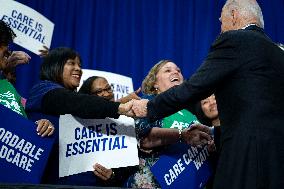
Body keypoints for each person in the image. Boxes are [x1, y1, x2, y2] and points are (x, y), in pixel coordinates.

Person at [132, 0, 284, 188]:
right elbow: (257, 110)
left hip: (246, 158)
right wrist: (214, 133)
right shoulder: (278, 52)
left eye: (221, 21)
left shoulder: (235, 40)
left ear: (234, 15)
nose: (221, 28)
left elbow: (195, 87)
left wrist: (149, 106)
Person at [25, 47, 134, 185]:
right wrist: (120, 107)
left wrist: (112, 175)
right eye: (71, 63)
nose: (78, 69)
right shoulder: (42, 90)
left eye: (80, 65)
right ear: (55, 66)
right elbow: (73, 102)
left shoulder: (82, 104)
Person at [125, 60, 212, 188]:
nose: (175, 72)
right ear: (154, 83)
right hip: (156, 183)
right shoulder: (147, 104)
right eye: (168, 70)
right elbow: (144, 138)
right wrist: (182, 135)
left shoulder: (192, 110)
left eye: (178, 70)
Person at [78, 76, 139, 187]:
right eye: (99, 91)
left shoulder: (126, 122)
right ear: (87, 97)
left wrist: (113, 175)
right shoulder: (76, 122)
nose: (106, 94)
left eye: (108, 89)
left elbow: (130, 165)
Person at [0, 20, 54, 137]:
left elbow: (20, 127)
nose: (8, 51)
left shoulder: (7, 87)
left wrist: (40, 126)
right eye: (3, 43)